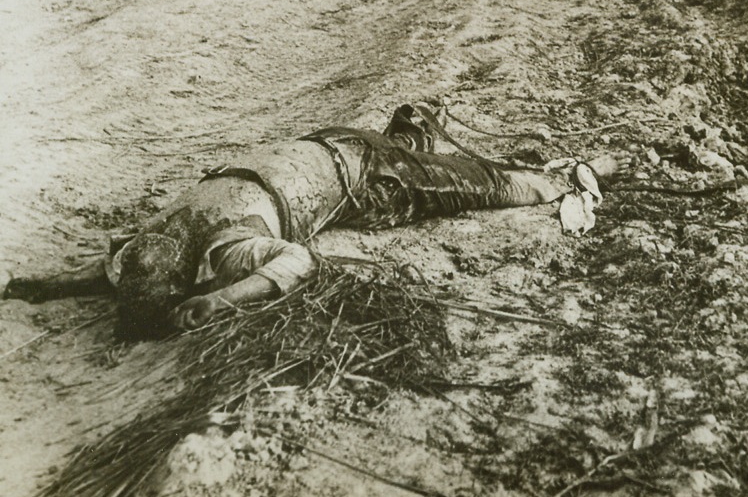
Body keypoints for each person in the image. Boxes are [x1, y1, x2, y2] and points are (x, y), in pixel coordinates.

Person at [3, 106, 629, 338]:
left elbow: (299, 261)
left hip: (368, 178)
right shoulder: (159, 236)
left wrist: (219, 305)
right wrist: (45, 286)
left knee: (494, 187)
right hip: (327, 144)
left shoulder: (223, 249)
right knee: (440, 163)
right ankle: (414, 131)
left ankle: (577, 171)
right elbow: (111, 271)